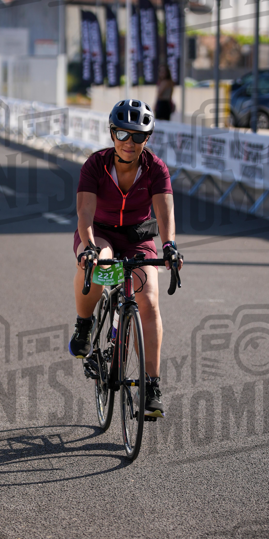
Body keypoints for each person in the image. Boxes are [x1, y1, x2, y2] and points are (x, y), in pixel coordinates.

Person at [69, 99, 183, 418]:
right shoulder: (96, 164)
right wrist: (89, 247)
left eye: (137, 136)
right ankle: (84, 324)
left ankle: (151, 386)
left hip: (138, 238)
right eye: (122, 134)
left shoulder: (156, 169)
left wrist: (169, 246)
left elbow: (164, 212)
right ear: (112, 134)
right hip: (99, 234)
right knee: (99, 264)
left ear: (147, 138)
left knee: (149, 301)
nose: (129, 142)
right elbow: (85, 212)